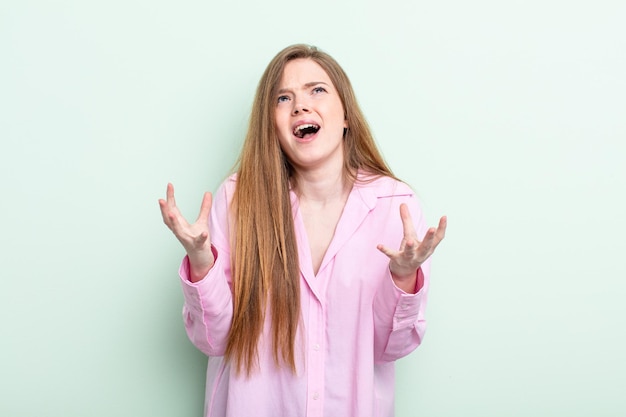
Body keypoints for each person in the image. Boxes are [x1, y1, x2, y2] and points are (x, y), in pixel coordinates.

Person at [158, 44, 447, 417]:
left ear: (346, 115)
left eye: (317, 90)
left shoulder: (395, 204)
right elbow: (214, 339)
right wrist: (201, 263)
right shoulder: (237, 199)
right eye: (283, 98)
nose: (299, 105)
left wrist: (404, 277)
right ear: (273, 126)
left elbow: (389, 348)